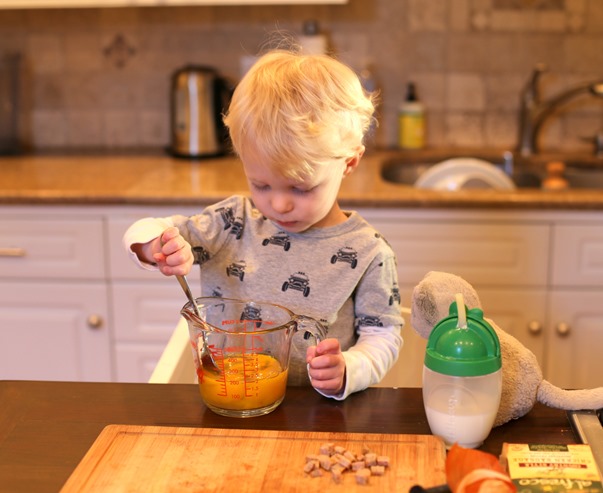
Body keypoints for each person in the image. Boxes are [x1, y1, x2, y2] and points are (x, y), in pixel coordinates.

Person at [123, 49, 404, 399]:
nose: (279, 203)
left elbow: (384, 335)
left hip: (317, 411)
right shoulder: (232, 222)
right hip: (232, 398)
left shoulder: (369, 252)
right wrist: (156, 247)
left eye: (301, 187)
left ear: (349, 163)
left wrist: (351, 367)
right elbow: (149, 227)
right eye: (261, 185)